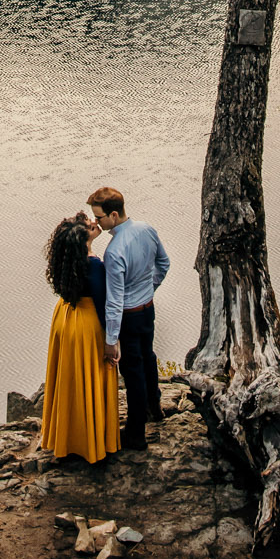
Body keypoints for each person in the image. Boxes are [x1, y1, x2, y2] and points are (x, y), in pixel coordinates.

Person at [87, 184, 169, 452]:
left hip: (129, 316)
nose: (97, 222)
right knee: (149, 357)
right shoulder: (147, 229)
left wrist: (111, 340)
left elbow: (114, 300)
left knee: (132, 373)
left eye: (99, 218)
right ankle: (155, 408)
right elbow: (163, 264)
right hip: (148, 308)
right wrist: (149, 288)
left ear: (113, 215)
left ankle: (136, 433)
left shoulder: (114, 252)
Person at [39, 211, 120, 467]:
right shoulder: (93, 264)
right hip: (86, 323)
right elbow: (103, 303)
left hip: (65, 317)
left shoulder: (66, 260)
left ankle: (67, 439)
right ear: (83, 237)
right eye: (89, 224)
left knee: (70, 378)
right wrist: (112, 341)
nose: (95, 224)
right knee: (91, 376)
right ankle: (91, 442)